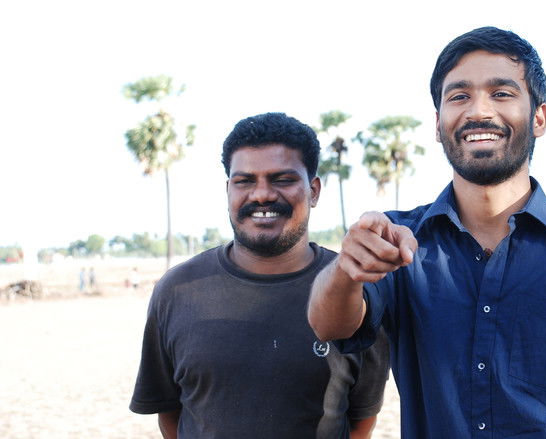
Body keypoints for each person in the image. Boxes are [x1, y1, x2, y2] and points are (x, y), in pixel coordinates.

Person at [308, 27, 546, 438]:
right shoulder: (397, 242)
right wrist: (347, 269)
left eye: (501, 93)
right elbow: (329, 326)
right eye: (459, 96)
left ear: (539, 117)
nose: (479, 111)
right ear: (438, 123)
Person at [130, 113, 389, 439]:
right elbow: (171, 415)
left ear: (314, 191)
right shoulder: (177, 290)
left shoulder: (355, 289)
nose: (262, 194)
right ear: (228, 190)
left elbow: (361, 420)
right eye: (245, 181)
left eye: (282, 179)